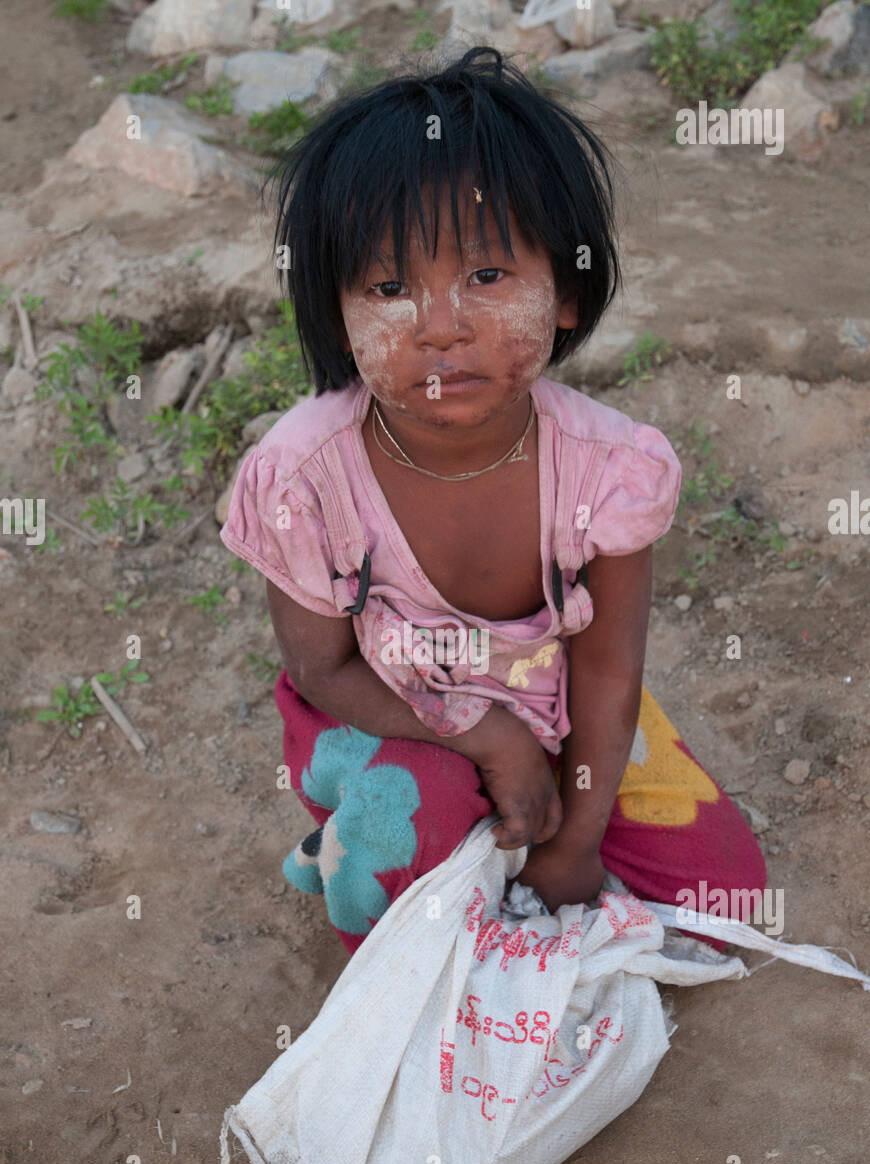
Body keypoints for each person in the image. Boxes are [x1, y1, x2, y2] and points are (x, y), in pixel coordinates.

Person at [220, 46, 766, 958]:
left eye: (486, 276)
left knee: (725, 896)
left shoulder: (609, 472)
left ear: (565, 291)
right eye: (391, 288)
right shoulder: (302, 478)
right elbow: (321, 671)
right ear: (336, 313)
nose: (442, 325)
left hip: (550, 695)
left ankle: (515, 825)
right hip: (382, 708)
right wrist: (488, 738)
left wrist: (578, 837)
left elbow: (602, 672)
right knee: (414, 850)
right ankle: (364, 840)